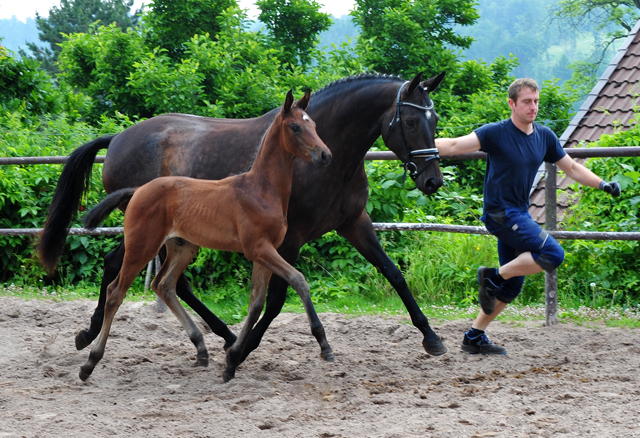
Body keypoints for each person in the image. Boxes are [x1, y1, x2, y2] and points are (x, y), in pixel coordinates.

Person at [434, 78, 621, 355]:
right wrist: (413, 148)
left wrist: (602, 184)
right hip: (499, 212)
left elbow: (570, 167)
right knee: (553, 254)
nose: (533, 107)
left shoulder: (544, 136)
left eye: (535, 101)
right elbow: (452, 145)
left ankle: (474, 336)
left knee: (513, 285)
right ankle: (492, 276)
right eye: (526, 102)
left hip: (518, 213)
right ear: (512, 103)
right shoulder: (496, 133)